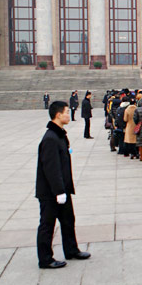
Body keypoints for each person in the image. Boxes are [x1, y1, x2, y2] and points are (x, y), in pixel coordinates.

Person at [35, 100, 91, 269]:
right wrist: (59, 191)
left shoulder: (59, 134)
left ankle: (71, 249)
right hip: (52, 192)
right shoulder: (51, 138)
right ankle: (45, 258)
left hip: (62, 189)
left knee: (68, 220)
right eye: (67, 112)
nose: (69, 114)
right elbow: (51, 168)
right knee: (47, 224)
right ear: (58, 115)